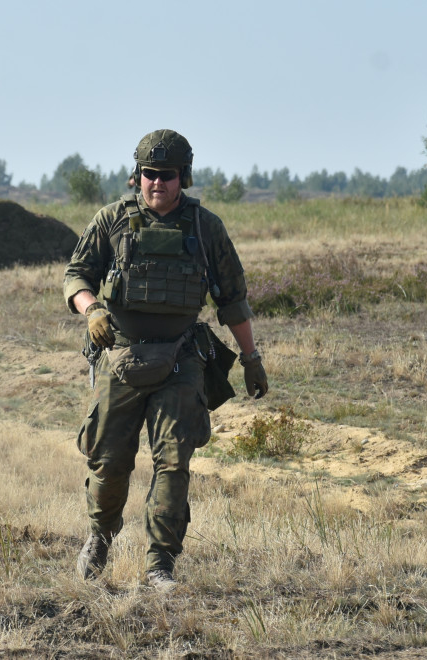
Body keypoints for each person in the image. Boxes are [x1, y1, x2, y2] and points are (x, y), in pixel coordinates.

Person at [63, 129, 268, 591]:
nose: (158, 183)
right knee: (110, 461)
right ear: (137, 176)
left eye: (167, 175)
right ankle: (100, 536)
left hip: (181, 359)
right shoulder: (111, 219)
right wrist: (91, 308)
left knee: (173, 462)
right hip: (119, 357)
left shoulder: (204, 227)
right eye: (149, 174)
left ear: (184, 178)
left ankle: (160, 565)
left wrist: (251, 357)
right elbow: (76, 274)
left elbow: (231, 298)